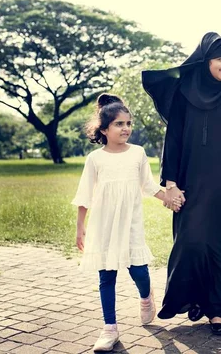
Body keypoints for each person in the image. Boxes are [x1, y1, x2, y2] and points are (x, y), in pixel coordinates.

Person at [141, 32, 221, 335]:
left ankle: (218, 311)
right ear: (205, 59)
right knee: (192, 241)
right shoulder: (184, 94)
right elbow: (173, 141)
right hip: (192, 183)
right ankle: (193, 297)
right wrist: (170, 183)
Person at [72, 94, 172, 352]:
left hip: (130, 224)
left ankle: (146, 296)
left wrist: (169, 198)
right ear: (104, 129)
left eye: (128, 123)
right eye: (119, 124)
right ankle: (109, 329)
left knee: (138, 271)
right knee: (106, 276)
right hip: (103, 225)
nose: (126, 128)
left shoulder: (137, 153)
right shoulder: (95, 159)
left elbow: (148, 186)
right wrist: (80, 226)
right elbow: (85, 194)